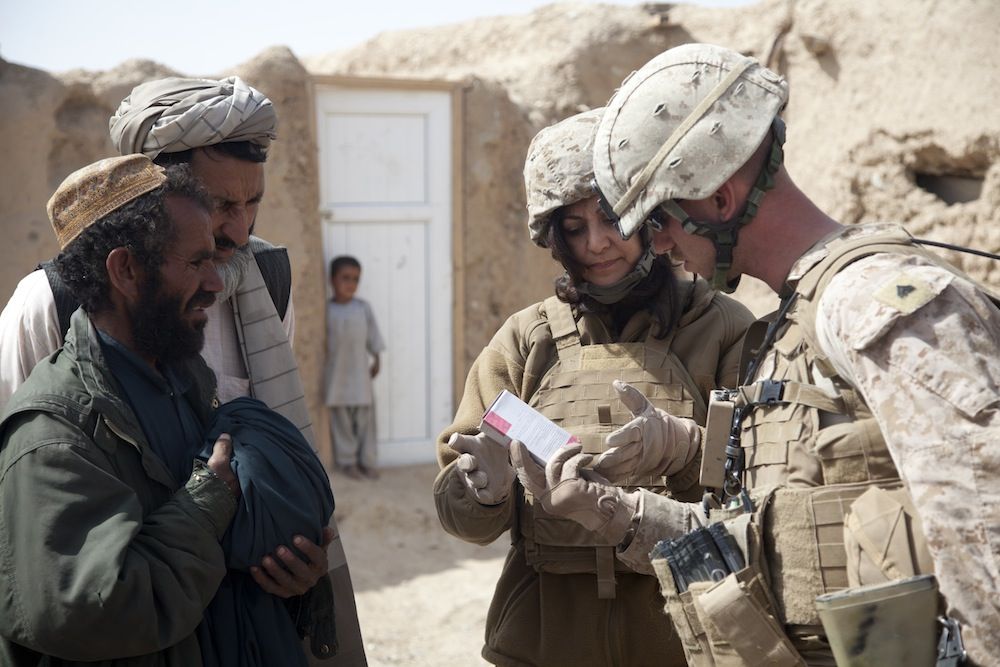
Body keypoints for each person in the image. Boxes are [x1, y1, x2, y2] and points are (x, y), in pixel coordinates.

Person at [511, 43, 1000, 666]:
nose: (655, 245)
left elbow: (985, 546)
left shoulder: (876, 308)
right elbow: (767, 548)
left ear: (718, 199)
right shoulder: (787, 330)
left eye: (659, 219)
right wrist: (615, 513)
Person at [0, 77, 367, 666]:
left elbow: (261, 456)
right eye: (222, 205)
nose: (240, 231)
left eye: (254, 203)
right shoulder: (46, 306)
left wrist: (294, 547)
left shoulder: (265, 280)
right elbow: (37, 526)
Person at [433, 107, 755, 666]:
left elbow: (763, 489)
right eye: (575, 229)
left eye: (613, 219)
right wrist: (484, 490)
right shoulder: (529, 338)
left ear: (650, 216)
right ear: (555, 239)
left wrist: (685, 449)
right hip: (546, 634)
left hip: (685, 633)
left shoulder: (722, 327)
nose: (598, 244)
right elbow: (461, 513)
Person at [0, 155, 241, 665]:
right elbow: (92, 613)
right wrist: (204, 507)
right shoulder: (53, 433)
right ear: (126, 270)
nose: (216, 283)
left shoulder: (184, 378)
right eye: (196, 262)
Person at [324, 255, 385, 480]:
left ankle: (368, 461)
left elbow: (374, 337)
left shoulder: (363, 308)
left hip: (361, 377)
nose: (351, 284)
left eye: (355, 279)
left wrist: (377, 359)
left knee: (366, 424)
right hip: (337, 377)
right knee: (342, 424)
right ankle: (347, 462)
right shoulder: (327, 311)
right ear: (332, 280)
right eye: (345, 278)